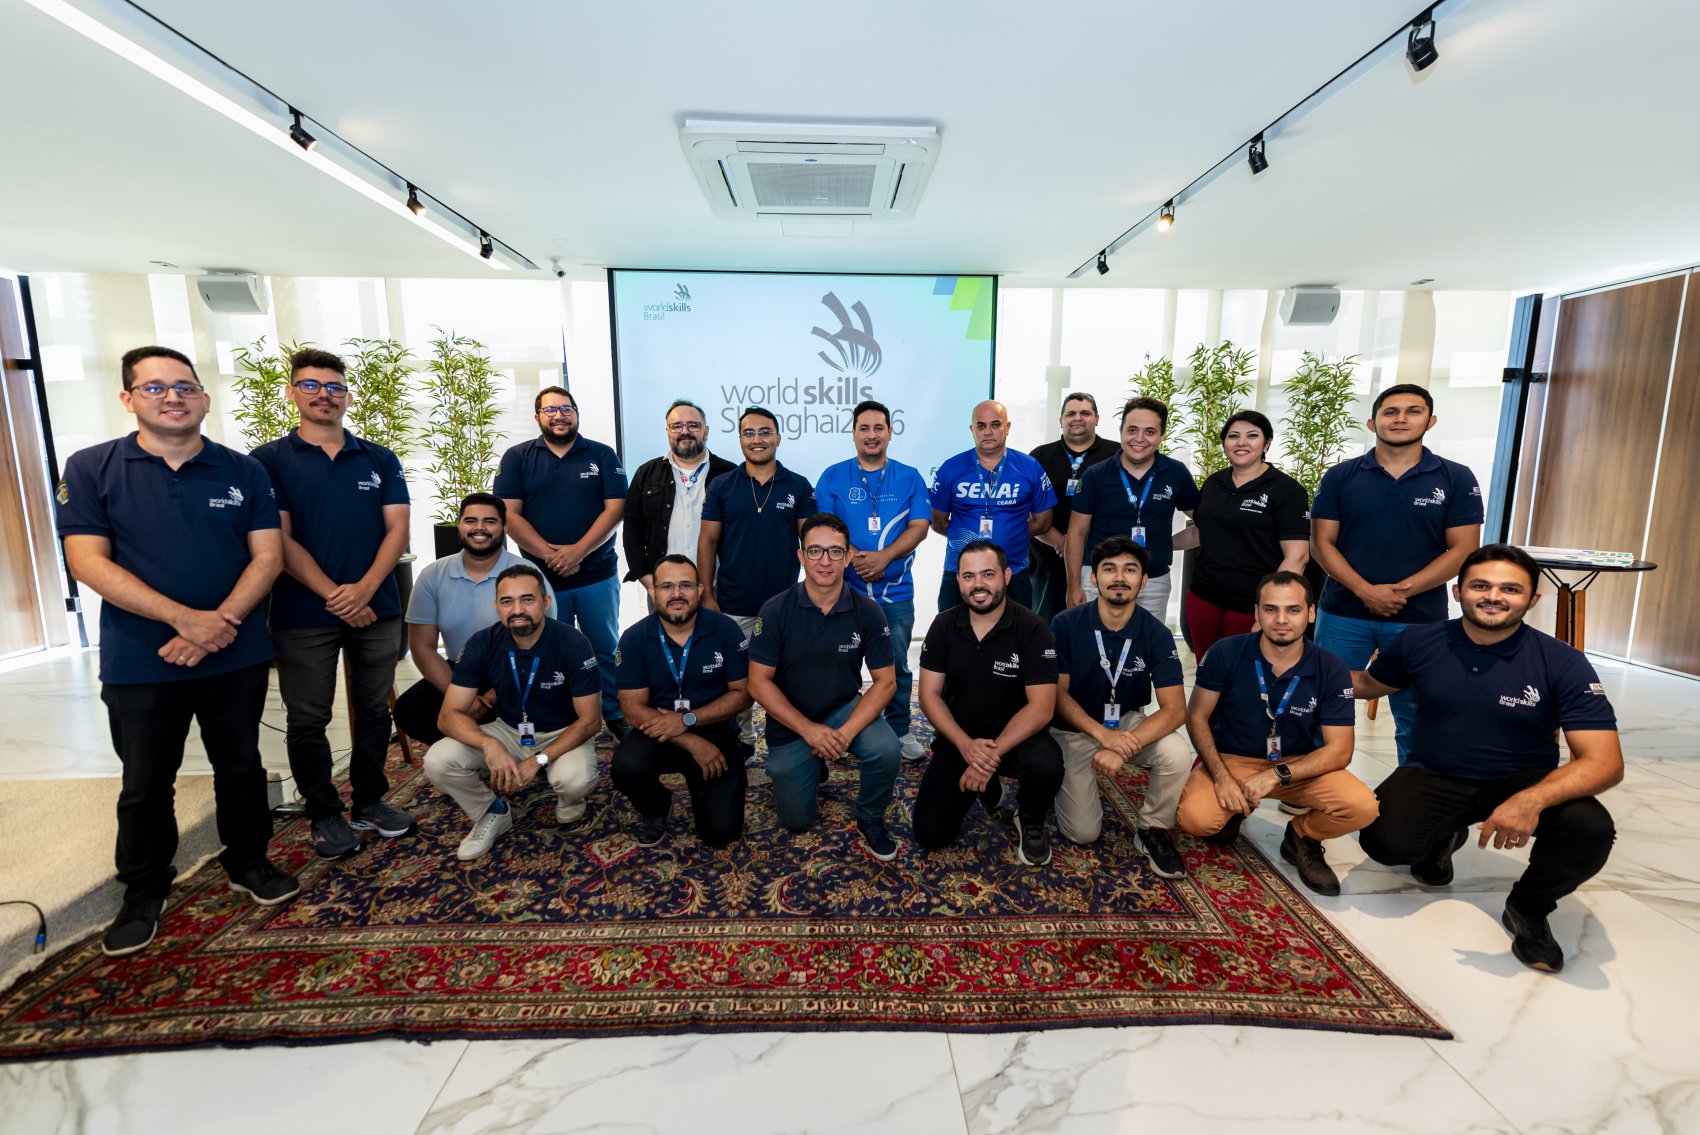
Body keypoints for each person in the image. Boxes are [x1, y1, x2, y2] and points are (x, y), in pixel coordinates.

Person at [58, 346, 300, 957]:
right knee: (146, 781)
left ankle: (249, 861)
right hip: (142, 657)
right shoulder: (92, 468)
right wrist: (185, 621)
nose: (173, 397)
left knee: (240, 766)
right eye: (155, 387)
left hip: (234, 651)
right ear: (128, 398)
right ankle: (143, 889)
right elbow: (87, 562)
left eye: (185, 387)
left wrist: (220, 624)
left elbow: (267, 556)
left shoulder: (243, 470)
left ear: (204, 399)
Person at [1353, 544, 1622, 973]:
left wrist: (1530, 800)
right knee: (1384, 843)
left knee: (1590, 829)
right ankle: (1442, 839)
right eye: (1481, 586)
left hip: (1524, 779)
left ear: (1532, 600)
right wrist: (1301, 669)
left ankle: (1529, 907)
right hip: (1434, 772)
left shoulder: (1562, 662)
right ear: (1457, 592)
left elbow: (1605, 762)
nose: (1493, 596)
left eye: (1510, 589)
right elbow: (1369, 684)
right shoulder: (1420, 640)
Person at [252, 347, 413, 861]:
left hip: (376, 605)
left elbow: (397, 529)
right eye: (311, 385)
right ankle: (323, 813)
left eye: (334, 387)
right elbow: (277, 540)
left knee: (373, 710)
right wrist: (337, 596)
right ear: (291, 392)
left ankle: (369, 801)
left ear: (347, 396)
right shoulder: (267, 461)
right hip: (303, 613)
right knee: (308, 717)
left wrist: (364, 589)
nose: (324, 395)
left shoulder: (378, 458)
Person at [1311, 383, 1483, 764]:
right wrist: (1364, 590)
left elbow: (1464, 550)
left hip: (1419, 618)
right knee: (1322, 704)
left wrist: (1400, 591)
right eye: (1391, 412)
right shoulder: (1340, 476)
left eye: (1413, 411)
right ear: (1372, 423)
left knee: (1417, 715)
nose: (1401, 419)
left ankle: (1413, 787)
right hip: (1343, 613)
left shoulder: (1455, 477)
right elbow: (1321, 544)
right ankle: (1315, 785)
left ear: (1431, 421)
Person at [1176, 571, 1377, 895]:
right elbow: (1196, 717)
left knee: (1362, 806)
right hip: (1234, 759)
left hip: (1297, 765)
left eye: (1293, 610)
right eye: (1271, 609)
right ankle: (1236, 808)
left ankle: (1302, 836)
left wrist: (1274, 775)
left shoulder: (1331, 668)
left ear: (1311, 613)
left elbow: (1340, 751)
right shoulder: (1226, 652)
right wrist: (1222, 778)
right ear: (1257, 612)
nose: (1281, 619)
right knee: (1196, 820)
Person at [747, 514, 903, 859]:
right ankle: (812, 763)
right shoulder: (775, 610)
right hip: (792, 718)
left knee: (887, 749)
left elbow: (886, 682)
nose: (825, 561)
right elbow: (758, 684)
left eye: (835, 551)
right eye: (815, 551)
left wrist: (845, 734)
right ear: (801, 556)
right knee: (796, 821)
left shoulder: (868, 611)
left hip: (842, 707)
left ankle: (870, 817)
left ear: (848, 557)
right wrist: (809, 731)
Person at [424, 564, 601, 860]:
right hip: (508, 730)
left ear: (545, 602)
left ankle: (570, 799)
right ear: (496, 606)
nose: (517, 610)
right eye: (507, 601)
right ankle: (492, 812)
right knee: (438, 760)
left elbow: (590, 721)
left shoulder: (573, 643)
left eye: (527, 600)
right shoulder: (482, 642)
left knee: (574, 780)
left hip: (563, 731)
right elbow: (448, 716)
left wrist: (537, 760)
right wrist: (489, 745)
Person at [1048, 537, 1191, 878]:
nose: (1119, 578)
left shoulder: (1156, 632)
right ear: (1093, 577)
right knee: (1083, 833)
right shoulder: (1065, 624)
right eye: (1109, 569)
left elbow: (1175, 709)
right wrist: (1102, 736)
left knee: (1176, 752)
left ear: (1144, 580)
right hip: (1074, 729)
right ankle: (1056, 787)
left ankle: (1153, 829)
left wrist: (1124, 744)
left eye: (1130, 570)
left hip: (1124, 722)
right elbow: (1057, 695)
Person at [913, 540, 1063, 865]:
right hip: (961, 741)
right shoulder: (943, 625)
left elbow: (1041, 708)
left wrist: (988, 758)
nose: (978, 584)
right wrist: (965, 746)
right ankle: (991, 787)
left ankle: (1030, 815)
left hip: (1017, 740)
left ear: (1007, 576)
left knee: (1047, 765)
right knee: (930, 834)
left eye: (988, 574)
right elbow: (928, 695)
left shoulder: (1033, 628)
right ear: (958, 580)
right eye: (968, 576)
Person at [495, 386, 628, 739]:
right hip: (542, 580)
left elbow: (616, 509)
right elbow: (508, 514)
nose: (559, 415)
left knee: (604, 647)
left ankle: (614, 712)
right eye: (550, 410)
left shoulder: (602, 454)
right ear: (537, 416)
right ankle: (563, 718)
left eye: (566, 409)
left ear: (577, 413)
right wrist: (551, 556)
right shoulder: (517, 457)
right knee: (551, 651)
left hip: (596, 575)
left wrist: (577, 552)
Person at [815, 399, 932, 760]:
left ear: (890, 433)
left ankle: (899, 728)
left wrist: (885, 557)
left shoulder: (910, 476)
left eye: (878, 428)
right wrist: (856, 558)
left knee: (896, 664)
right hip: (844, 592)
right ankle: (840, 728)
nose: (871, 435)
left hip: (896, 592)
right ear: (853, 434)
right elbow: (825, 529)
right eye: (864, 428)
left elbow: (920, 526)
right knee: (838, 664)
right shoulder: (832, 476)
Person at [698, 406, 816, 758]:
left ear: (778, 437)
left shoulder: (798, 485)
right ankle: (744, 741)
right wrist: (706, 595)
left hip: (785, 606)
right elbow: (707, 542)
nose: (757, 439)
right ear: (740, 440)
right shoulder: (722, 485)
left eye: (765, 432)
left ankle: (790, 744)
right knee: (736, 680)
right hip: (733, 604)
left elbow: (810, 543)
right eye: (748, 433)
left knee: (789, 680)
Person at [611, 555, 752, 849]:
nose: (677, 594)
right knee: (626, 766)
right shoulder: (634, 638)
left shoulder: (726, 629)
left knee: (722, 832)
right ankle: (657, 806)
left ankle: (705, 791)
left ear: (700, 590)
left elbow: (743, 693)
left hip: (714, 732)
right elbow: (632, 710)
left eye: (686, 585)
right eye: (667, 586)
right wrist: (690, 740)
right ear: (653, 592)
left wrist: (688, 720)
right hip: (658, 732)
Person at [394, 493, 553, 746]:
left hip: (518, 671)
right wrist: (458, 695)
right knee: (410, 710)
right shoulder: (433, 575)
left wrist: (491, 696)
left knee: (540, 713)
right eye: (470, 520)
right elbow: (421, 646)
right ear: (459, 526)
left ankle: (503, 749)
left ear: (505, 527)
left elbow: (544, 643)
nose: (479, 528)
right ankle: (473, 752)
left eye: (490, 521)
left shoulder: (527, 575)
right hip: (459, 674)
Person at [1184, 410, 1311, 659]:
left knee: (1246, 674)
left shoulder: (1287, 490)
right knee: (1207, 669)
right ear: (1224, 444)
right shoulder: (1214, 483)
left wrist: (1271, 609)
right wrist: (1156, 545)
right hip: (1203, 597)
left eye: (1252, 436)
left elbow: (1297, 557)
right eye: (1233, 436)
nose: (1241, 442)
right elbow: (1200, 532)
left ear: (1267, 443)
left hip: (1251, 605)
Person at [1066, 396, 1198, 624]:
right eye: (1132, 430)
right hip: (1099, 579)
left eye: (1150, 432)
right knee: (1095, 642)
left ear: (1162, 435)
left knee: (1147, 644)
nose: (1139, 439)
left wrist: (1166, 543)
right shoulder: (1095, 475)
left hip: (1153, 581)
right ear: (1121, 431)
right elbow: (1077, 533)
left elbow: (1206, 524)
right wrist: (1074, 585)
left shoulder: (1176, 473)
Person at [929, 399, 1056, 611]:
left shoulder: (1030, 467)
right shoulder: (950, 468)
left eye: (995, 425)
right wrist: (966, 539)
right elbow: (939, 522)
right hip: (959, 571)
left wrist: (1014, 534)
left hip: (1013, 570)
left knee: (1018, 630)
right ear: (972, 430)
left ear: (1008, 427)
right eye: (981, 426)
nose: (988, 432)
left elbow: (1043, 522)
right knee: (951, 630)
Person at [621, 398, 736, 605]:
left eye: (693, 425)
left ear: (706, 431)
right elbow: (632, 530)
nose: (685, 431)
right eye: (677, 426)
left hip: (719, 589)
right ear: (667, 431)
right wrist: (649, 583)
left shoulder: (729, 474)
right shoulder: (646, 473)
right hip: (663, 590)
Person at [1029, 392, 1119, 623]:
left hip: (1100, 564)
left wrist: (1078, 544)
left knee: (1094, 631)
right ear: (1061, 420)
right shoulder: (1039, 457)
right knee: (1044, 633)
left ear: (1097, 418)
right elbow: (1026, 510)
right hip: (1047, 564)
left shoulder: (1116, 455)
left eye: (1085, 413)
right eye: (1070, 413)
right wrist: (1061, 542)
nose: (1077, 418)